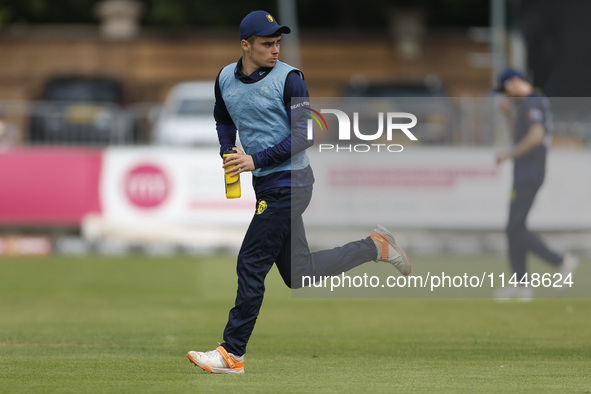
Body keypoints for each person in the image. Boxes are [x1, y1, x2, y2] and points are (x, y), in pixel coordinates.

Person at [187, 10, 411, 374]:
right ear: (246, 46)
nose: (275, 50)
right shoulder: (225, 78)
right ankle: (375, 246)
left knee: (251, 262)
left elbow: (305, 135)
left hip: (291, 184)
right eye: (267, 44)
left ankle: (232, 353)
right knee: (298, 273)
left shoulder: (290, 79)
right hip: (268, 184)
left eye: (278, 43)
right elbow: (223, 117)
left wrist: (254, 160)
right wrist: (228, 149)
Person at [493, 68, 578, 301]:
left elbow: (536, 136)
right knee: (515, 227)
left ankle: (560, 261)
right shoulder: (531, 104)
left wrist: (509, 154)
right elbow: (522, 137)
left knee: (514, 228)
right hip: (527, 172)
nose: (506, 95)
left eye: (505, 90)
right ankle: (522, 284)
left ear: (512, 84)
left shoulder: (533, 102)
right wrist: (508, 116)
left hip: (528, 173)